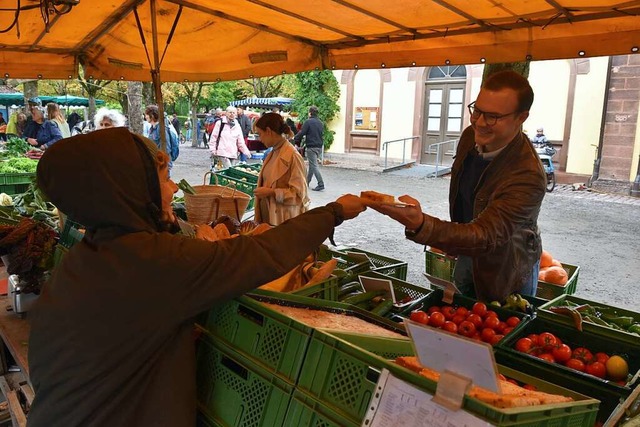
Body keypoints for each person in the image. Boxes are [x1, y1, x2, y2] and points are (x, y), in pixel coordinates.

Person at [27, 127, 366, 426]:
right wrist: (332, 212)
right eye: (161, 180)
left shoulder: (86, 258)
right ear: (127, 190)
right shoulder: (154, 262)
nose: (174, 188)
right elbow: (260, 254)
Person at [368, 70, 546, 302]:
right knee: (461, 311)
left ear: (521, 117)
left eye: (492, 116)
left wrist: (422, 224)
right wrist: (453, 237)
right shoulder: (470, 136)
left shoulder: (528, 174)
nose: (479, 123)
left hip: (506, 268)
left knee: (495, 327)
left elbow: (485, 236)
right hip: (467, 251)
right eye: (477, 110)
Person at [253, 113, 309, 225]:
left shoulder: (292, 156)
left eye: (260, 134)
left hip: (284, 221)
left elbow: (299, 196)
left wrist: (271, 192)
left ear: (268, 131)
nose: (259, 139)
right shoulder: (273, 152)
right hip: (268, 220)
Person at [294, 106, 325, 191]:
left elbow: (302, 132)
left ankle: (321, 183)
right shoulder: (320, 123)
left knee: (314, 165)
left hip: (311, 146)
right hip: (319, 146)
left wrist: (294, 138)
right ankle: (306, 182)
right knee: (312, 165)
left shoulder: (308, 122)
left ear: (310, 113)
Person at [144, 105, 179, 173]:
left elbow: (166, 148)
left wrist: (162, 165)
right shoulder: (153, 128)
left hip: (162, 166)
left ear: (152, 115)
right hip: (157, 164)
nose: (146, 117)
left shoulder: (162, 129)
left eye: (147, 115)